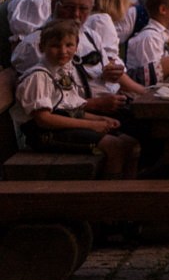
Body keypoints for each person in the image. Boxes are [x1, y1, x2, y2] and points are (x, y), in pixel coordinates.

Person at [13, 20, 140, 177]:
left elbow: (71, 109)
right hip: (44, 134)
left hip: (63, 126)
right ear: (42, 47)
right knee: (114, 146)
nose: (63, 51)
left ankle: (126, 187)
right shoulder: (39, 76)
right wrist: (91, 125)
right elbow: (43, 119)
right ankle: (109, 189)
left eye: (69, 45)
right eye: (55, 46)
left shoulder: (65, 71)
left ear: (76, 46)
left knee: (131, 143)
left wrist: (100, 119)